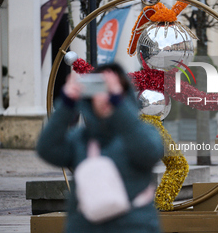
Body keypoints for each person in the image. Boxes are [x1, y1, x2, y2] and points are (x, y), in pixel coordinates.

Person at [36, 63, 164, 233]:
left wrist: (119, 105)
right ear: (90, 96)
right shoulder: (81, 138)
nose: (105, 97)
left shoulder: (141, 131)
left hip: (135, 226)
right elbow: (46, 149)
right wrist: (66, 104)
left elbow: (150, 153)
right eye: (99, 89)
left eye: (112, 90)